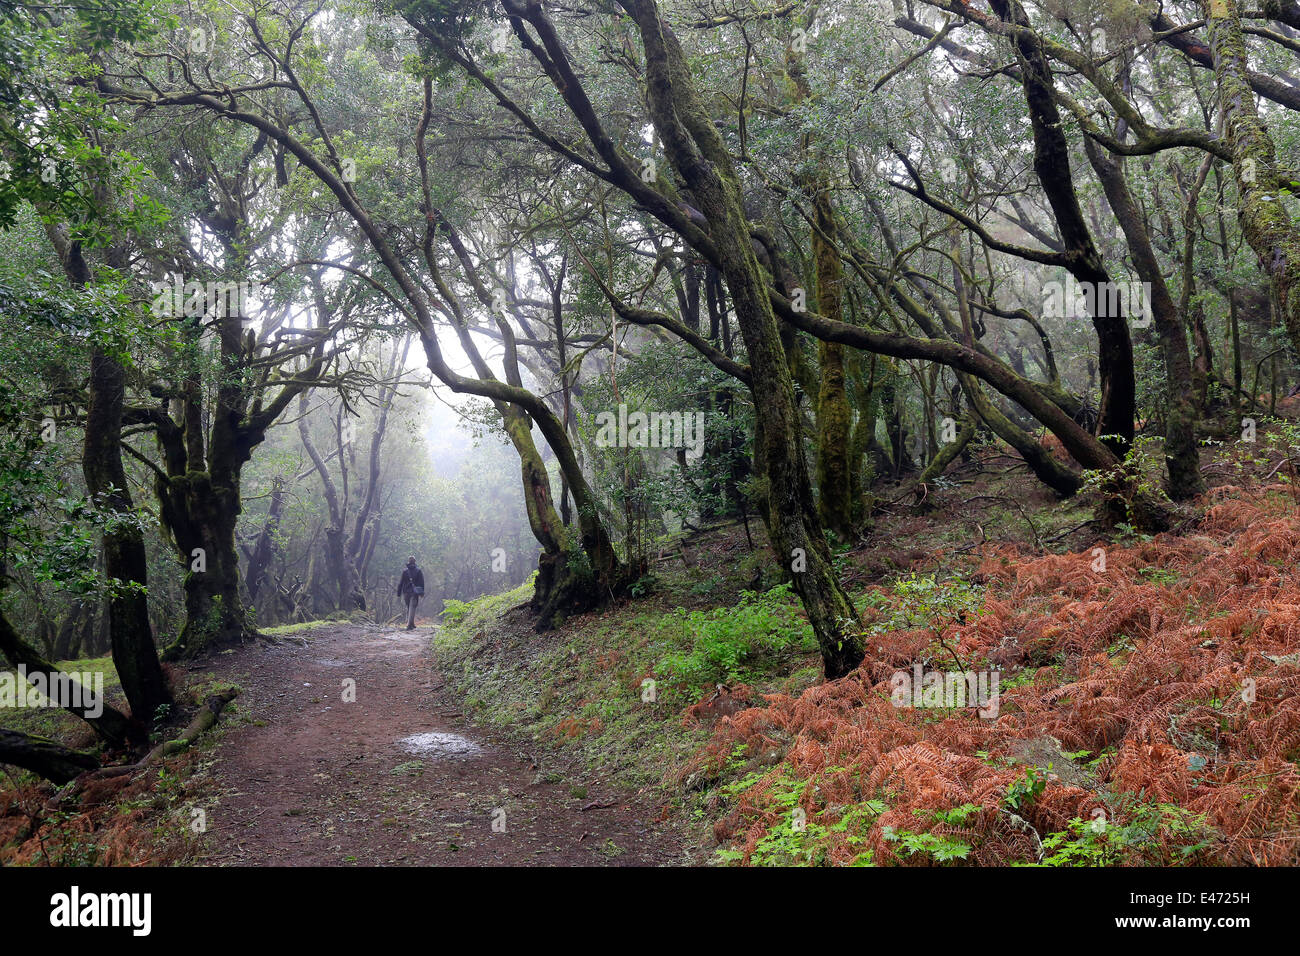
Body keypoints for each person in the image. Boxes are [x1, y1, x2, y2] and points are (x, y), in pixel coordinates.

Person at [396, 556, 424, 630]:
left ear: (408, 561)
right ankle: (409, 625)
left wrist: (399, 593)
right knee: (412, 608)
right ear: (415, 562)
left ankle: (411, 623)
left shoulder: (405, 571)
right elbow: (421, 583)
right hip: (414, 592)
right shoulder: (418, 571)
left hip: (406, 592)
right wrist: (421, 593)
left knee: (409, 607)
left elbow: (401, 583)